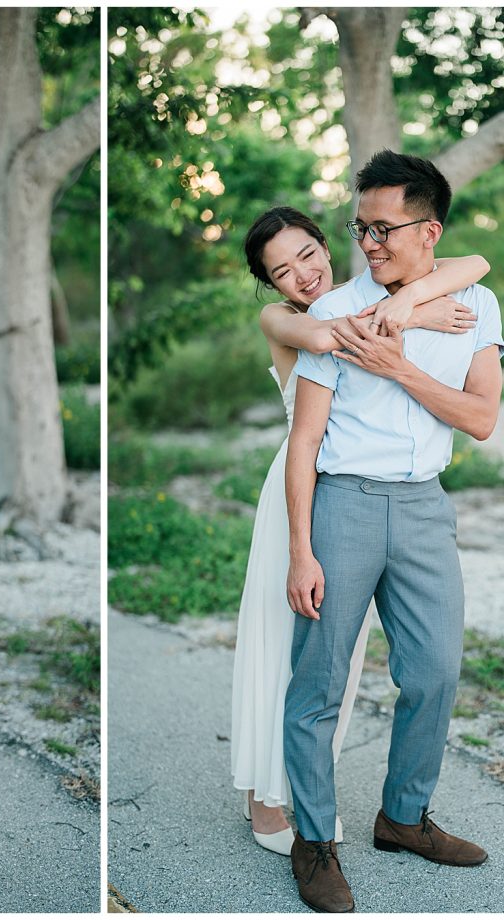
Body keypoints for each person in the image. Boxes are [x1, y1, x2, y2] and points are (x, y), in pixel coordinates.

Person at [232, 206, 489, 856]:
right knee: (285, 653)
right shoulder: (284, 319)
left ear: (326, 246)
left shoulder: (367, 295)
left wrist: (407, 306)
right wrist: (420, 313)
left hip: (360, 491)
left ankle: (309, 792)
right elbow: (324, 340)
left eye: (308, 256)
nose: (301, 275)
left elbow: (475, 265)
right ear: (271, 285)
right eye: (282, 271)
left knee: (339, 669)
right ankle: (265, 800)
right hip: (297, 491)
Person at [284, 150, 501, 912]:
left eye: (384, 229)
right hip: (343, 505)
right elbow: (304, 443)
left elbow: (480, 419)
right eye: (362, 229)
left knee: (436, 672)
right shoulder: (331, 315)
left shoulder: (479, 304)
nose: (369, 243)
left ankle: (403, 818)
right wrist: (301, 548)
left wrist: (399, 364)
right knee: (318, 683)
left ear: (428, 230)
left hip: (423, 508)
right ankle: (314, 842)